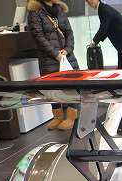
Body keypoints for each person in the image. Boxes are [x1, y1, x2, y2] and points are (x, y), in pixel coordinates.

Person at [27, 0, 79, 130]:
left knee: (72, 87)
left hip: (66, 57)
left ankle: (72, 117)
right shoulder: (35, 11)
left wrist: (67, 50)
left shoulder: (60, 9)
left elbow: (69, 33)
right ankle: (58, 117)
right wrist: (55, 54)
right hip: (49, 58)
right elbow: (38, 37)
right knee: (51, 88)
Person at [85, 0, 122, 69]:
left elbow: (103, 28)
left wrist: (94, 42)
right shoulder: (102, 8)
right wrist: (96, 42)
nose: (90, 2)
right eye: (88, 2)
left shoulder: (103, 9)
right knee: (121, 69)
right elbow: (106, 28)